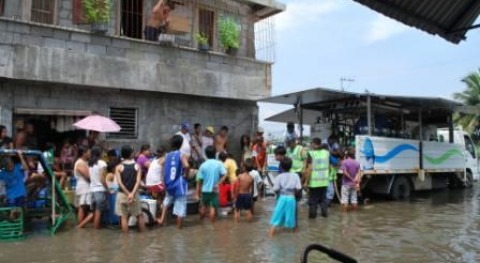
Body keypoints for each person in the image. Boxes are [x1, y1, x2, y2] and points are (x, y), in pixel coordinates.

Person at [158, 135, 190, 228]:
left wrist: (163, 181)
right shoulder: (181, 154)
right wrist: (186, 175)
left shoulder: (167, 155)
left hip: (169, 183)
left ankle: (162, 219)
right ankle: (179, 229)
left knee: (166, 202)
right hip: (179, 185)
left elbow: (162, 166)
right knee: (180, 208)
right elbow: (187, 166)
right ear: (181, 144)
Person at [115, 145, 146, 233]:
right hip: (134, 195)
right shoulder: (137, 166)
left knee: (124, 217)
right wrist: (132, 194)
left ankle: (125, 240)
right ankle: (144, 237)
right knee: (139, 215)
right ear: (131, 154)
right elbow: (138, 181)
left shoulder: (119, 167)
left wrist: (128, 194)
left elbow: (120, 183)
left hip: (122, 195)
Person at [268, 158, 302, 238]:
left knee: (276, 218)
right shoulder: (295, 175)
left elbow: (276, 189)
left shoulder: (279, 176)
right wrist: (293, 194)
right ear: (291, 166)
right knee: (292, 219)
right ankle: (295, 238)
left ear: (281, 167)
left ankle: (270, 236)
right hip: (291, 198)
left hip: (282, 198)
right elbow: (298, 188)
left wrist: (279, 194)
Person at [77, 146, 108, 229]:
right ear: (100, 153)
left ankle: (80, 227)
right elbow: (102, 179)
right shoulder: (102, 163)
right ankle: (96, 231)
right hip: (100, 190)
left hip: (92, 190)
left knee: (93, 212)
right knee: (98, 212)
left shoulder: (90, 164)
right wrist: (107, 188)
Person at [196, 146, 227, 223]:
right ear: (215, 153)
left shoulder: (203, 165)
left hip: (204, 189)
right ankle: (212, 226)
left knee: (203, 206)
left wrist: (198, 192)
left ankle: (201, 223)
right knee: (212, 208)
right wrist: (219, 182)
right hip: (214, 189)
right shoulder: (219, 163)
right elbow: (225, 174)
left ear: (206, 154)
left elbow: (199, 180)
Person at [304, 138, 330, 219]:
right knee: (323, 200)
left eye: (311, 143)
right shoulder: (326, 153)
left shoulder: (311, 153)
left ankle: (312, 219)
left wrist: (306, 182)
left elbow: (309, 169)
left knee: (313, 201)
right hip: (324, 181)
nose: (311, 145)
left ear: (314, 144)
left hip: (314, 182)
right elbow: (329, 167)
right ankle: (325, 216)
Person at [145, 147, 166, 222]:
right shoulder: (163, 159)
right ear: (164, 153)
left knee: (158, 199)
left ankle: (157, 214)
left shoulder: (154, 160)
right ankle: (161, 217)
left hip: (148, 184)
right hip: (156, 185)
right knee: (165, 198)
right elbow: (165, 173)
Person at [74, 146, 91, 225]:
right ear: (84, 153)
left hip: (84, 186)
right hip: (83, 186)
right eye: (88, 152)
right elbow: (88, 176)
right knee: (82, 206)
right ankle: (80, 224)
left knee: (85, 206)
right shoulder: (80, 162)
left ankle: (82, 224)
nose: (89, 153)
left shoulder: (84, 162)